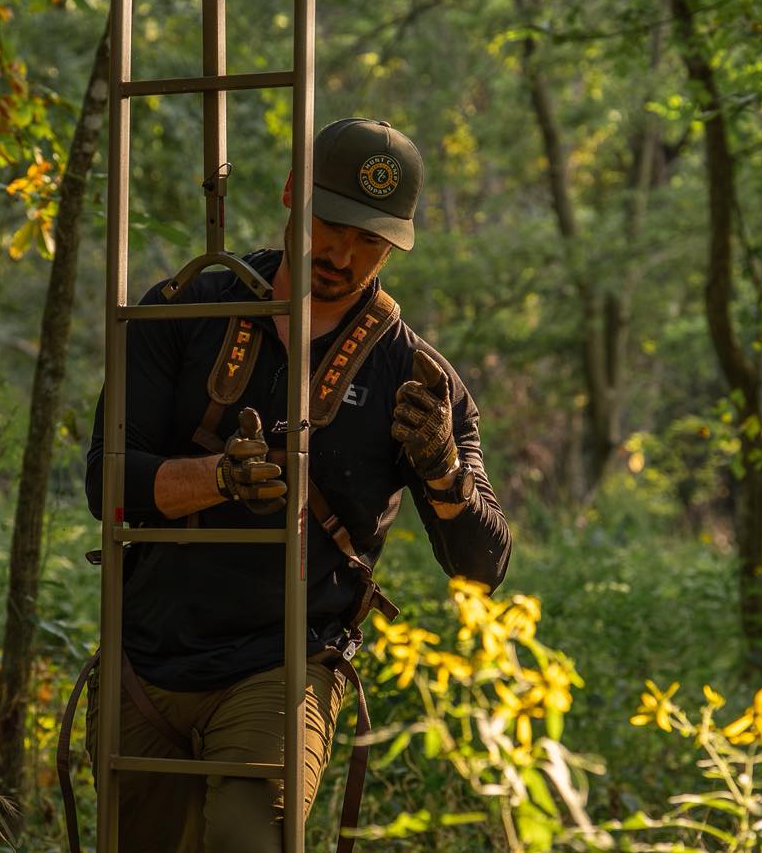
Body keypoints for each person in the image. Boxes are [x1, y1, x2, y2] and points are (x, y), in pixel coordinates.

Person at [82, 117, 511, 853]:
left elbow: (484, 565)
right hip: (144, 660)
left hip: (282, 666)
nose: (343, 253)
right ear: (289, 193)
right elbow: (107, 487)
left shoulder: (417, 379)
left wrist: (442, 468)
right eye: (330, 222)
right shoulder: (183, 313)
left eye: (371, 240)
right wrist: (220, 478)